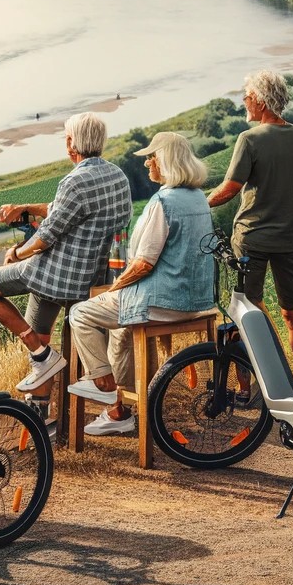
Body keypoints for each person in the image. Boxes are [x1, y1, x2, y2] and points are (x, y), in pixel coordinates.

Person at [0, 113, 132, 425]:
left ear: (72, 144)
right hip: (94, 278)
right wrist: (27, 208)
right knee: (39, 320)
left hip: (58, 276)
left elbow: (45, 238)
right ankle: (44, 403)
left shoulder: (75, 181)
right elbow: (67, 210)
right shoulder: (117, 177)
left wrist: (16, 252)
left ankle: (40, 363)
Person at [67, 132, 216, 434]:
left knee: (80, 313)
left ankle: (103, 385)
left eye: (152, 156)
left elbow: (143, 263)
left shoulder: (163, 201)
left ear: (166, 161)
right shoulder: (198, 197)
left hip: (161, 302)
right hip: (196, 301)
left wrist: (115, 286)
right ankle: (119, 410)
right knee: (121, 332)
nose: (147, 162)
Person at [208, 70, 293, 371]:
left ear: (260, 102)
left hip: (252, 236)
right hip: (291, 238)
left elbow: (230, 188)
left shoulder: (249, 139)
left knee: (246, 310)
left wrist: (201, 205)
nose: (244, 102)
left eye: (247, 97)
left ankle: (262, 377)